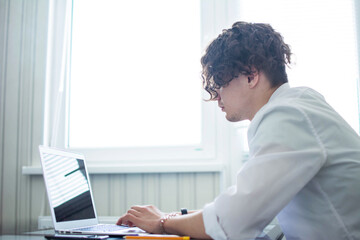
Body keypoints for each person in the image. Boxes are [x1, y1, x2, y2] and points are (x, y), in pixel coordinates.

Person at [117, 22, 360, 240]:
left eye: (220, 82)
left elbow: (231, 223)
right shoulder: (299, 106)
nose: (216, 96)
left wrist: (161, 223)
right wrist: (171, 216)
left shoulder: (288, 116)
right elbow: (239, 211)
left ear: (251, 75)